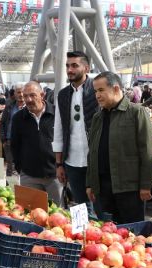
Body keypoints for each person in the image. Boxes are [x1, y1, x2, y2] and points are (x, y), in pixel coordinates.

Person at [86, 71, 152, 224]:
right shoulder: (98, 117)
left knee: (132, 233)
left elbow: (148, 151)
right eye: (95, 91)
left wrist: (146, 185)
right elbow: (92, 152)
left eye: (101, 90)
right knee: (108, 233)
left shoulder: (136, 112)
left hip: (128, 188)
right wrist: (90, 183)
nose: (97, 95)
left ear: (116, 89)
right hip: (103, 188)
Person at [52, 51, 100, 208]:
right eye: (67, 66)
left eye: (74, 65)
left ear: (86, 68)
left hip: (96, 161)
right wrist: (59, 164)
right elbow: (58, 131)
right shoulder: (62, 95)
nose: (69, 70)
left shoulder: (97, 91)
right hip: (71, 162)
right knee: (80, 207)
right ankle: (83, 233)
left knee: (100, 206)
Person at [11, 82, 63, 205]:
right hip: (29, 176)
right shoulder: (18, 118)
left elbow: (65, 141)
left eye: (32, 95)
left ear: (42, 95)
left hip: (54, 176)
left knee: (57, 214)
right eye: (25, 96)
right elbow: (15, 145)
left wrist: (61, 166)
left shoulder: (57, 114)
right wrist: (21, 169)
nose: (28, 100)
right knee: (31, 212)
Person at [0, 85, 24, 176]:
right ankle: (10, 187)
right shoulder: (9, 107)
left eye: (22, 92)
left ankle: (23, 187)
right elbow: (2, 123)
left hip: (24, 141)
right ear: (14, 94)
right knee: (10, 166)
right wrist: (3, 139)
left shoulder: (29, 107)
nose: (21, 94)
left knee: (23, 165)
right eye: (18, 92)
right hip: (9, 140)